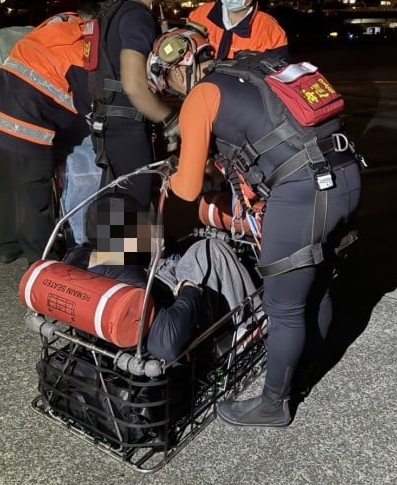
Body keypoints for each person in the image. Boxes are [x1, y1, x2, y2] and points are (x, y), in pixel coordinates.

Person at [146, 26, 363, 428]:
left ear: (177, 68)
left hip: (304, 193)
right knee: (316, 285)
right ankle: (304, 370)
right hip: (345, 175)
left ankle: (275, 404)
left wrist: (170, 181)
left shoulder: (201, 95)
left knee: (284, 307)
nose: (173, 94)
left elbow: (188, 188)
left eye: (169, 84)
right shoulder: (244, 72)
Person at [64, 192, 261, 363]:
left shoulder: (86, 260)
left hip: (132, 328)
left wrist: (151, 251)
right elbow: (166, 344)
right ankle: (251, 322)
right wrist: (189, 288)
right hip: (178, 328)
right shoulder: (131, 280)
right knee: (208, 249)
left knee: (173, 256)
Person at [0, 6, 100, 265]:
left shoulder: (55, 25)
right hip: (24, 131)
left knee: (5, 188)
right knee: (35, 200)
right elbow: (90, 106)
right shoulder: (79, 49)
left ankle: (9, 246)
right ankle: (42, 261)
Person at [91, 0, 181, 211]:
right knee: (133, 210)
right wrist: (170, 120)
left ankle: (110, 242)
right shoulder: (138, 16)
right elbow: (133, 85)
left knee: (116, 208)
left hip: (108, 126)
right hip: (127, 130)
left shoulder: (114, 8)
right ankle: (125, 244)